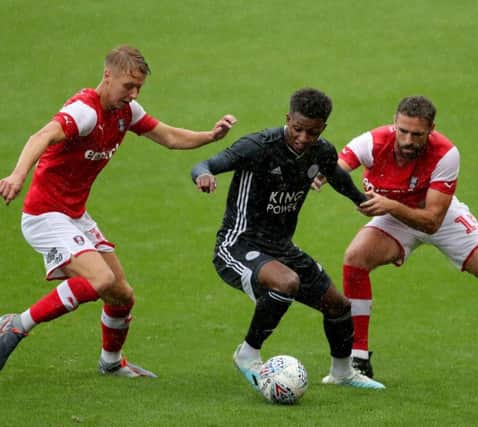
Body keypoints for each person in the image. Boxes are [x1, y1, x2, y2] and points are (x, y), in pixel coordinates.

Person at [0, 45, 237, 377]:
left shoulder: (127, 111)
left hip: (74, 215)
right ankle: (15, 326)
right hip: (45, 215)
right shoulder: (85, 112)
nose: (134, 93)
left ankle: (110, 363)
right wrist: (17, 174)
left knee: (122, 295)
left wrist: (211, 136)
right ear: (107, 76)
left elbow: (168, 137)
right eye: (129, 85)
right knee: (100, 279)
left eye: (139, 86)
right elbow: (42, 135)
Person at [313, 95, 478, 390]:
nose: (407, 140)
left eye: (417, 134)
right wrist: (323, 176)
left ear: (431, 129)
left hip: (440, 217)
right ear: (394, 122)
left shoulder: (446, 154)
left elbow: (431, 221)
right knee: (355, 258)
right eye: (402, 131)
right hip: (392, 215)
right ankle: (358, 360)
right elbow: (339, 166)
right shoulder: (372, 142)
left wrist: (390, 206)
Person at [190, 88, 385, 391]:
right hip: (239, 245)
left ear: (323, 128)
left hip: (281, 247)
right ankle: (248, 354)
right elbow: (205, 164)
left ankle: (342, 372)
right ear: (288, 119)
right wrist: (204, 175)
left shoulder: (321, 151)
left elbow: (334, 174)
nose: (304, 138)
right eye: (298, 129)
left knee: (338, 306)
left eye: (313, 131)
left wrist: (359, 200)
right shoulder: (258, 146)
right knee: (286, 283)